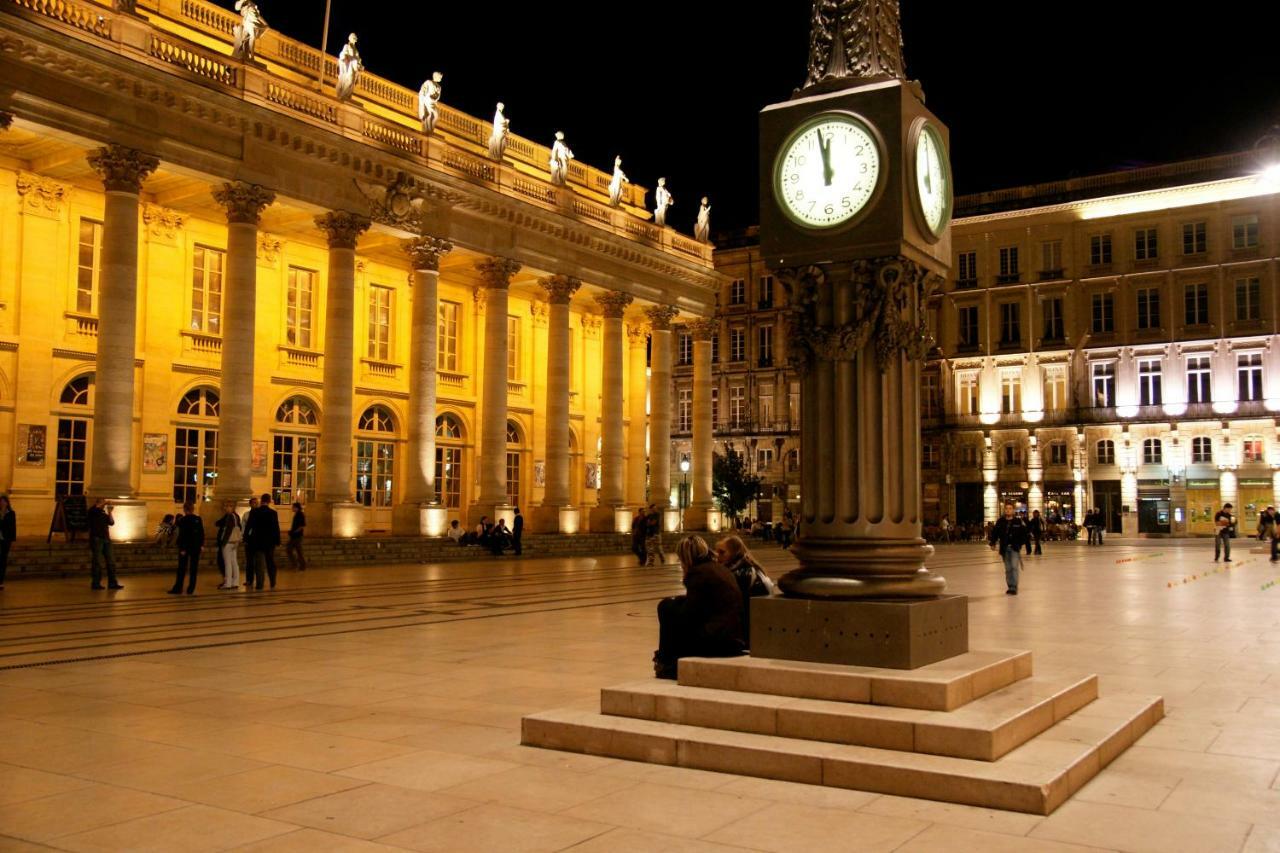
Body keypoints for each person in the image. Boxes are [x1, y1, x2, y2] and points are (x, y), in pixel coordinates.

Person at [653, 536, 745, 680]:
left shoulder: (698, 573)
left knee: (665, 608)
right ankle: (665, 660)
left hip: (717, 639)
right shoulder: (718, 568)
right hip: (732, 634)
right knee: (670, 606)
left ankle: (667, 663)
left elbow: (689, 615)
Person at [714, 534, 774, 649]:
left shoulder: (741, 573)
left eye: (722, 552)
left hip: (749, 629)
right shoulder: (747, 566)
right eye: (717, 552)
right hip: (755, 624)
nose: (718, 556)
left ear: (734, 553)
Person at [988, 502, 1029, 595]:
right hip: (1004, 548)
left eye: (1010, 508)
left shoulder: (1018, 522)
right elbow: (995, 533)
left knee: (1014, 567)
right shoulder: (1000, 521)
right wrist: (993, 543)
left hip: (1014, 548)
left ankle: (1014, 587)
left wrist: (1020, 544)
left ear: (1013, 510)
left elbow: (1025, 534)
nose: (1008, 510)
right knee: (1008, 568)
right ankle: (1010, 586)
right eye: (1006, 508)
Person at [244, 493, 280, 590]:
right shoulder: (273, 513)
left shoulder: (255, 512)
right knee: (270, 562)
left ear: (261, 500)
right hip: (269, 542)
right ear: (269, 501)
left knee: (259, 563)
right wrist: (277, 541)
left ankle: (260, 584)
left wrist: (246, 538)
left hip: (257, 541)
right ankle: (272, 581)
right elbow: (276, 528)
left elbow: (248, 527)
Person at [169, 501, 204, 595]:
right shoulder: (198, 519)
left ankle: (178, 588)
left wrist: (182, 548)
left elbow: (182, 535)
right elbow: (201, 533)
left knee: (181, 568)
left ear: (184, 509)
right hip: (196, 547)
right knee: (194, 569)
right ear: (193, 509)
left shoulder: (183, 520)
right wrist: (201, 545)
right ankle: (190, 589)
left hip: (186, 547)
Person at [87, 497, 122, 590]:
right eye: (103, 502)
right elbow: (96, 509)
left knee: (111, 562)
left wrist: (110, 512)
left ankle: (112, 583)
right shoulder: (92, 511)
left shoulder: (103, 513)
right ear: (98, 503)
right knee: (97, 562)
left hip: (106, 539)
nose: (104, 504)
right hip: (96, 538)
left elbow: (111, 522)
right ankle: (96, 583)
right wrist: (105, 502)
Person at [215, 500, 242, 591]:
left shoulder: (229, 516)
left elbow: (227, 531)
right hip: (235, 542)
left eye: (226, 506)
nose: (225, 508)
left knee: (227, 563)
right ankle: (235, 582)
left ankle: (228, 583)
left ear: (231, 507)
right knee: (234, 562)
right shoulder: (237, 516)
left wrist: (223, 542)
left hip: (228, 542)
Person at [241, 496, 259, 585]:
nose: (256, 504)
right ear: (250, 504)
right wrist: (244, 538)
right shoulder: (246, 515)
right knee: (249, 561)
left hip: (258, 540)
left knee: (258, 561)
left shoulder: (260, 514)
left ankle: (259, 580)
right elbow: (243, 528)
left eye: (257, 503)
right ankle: (249, 579)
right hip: (249, 541)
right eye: (254, 503)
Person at [0, 495, 15, 590]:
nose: (2, 503)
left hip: (6, 539)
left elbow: (12, 527)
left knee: (3, 560)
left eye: (4, 501)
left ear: (7, 503)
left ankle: (1, 581)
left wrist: (12, 539)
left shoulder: (11, 513)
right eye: (1, 502)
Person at [286, 502, 306, 570]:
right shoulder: (297, 514)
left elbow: (302, 526)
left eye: (293, 507)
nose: (292, 508)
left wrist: (294, 532)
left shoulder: (300, 514)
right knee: (293, 550)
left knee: (296, 551)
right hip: (294, 536)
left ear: (296, 508)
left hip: (297, 536)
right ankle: (298, 565)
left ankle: (298, 565)